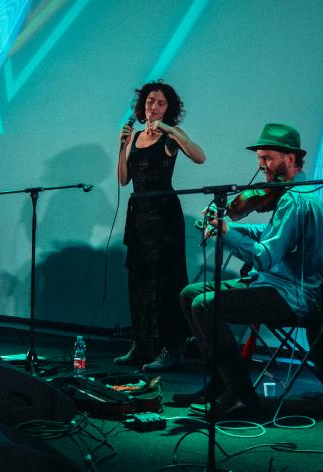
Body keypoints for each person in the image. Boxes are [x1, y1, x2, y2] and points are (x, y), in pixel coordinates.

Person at [177, 123, 323, 418]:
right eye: (260, 159)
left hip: (290, 295)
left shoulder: (296, 201)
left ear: (291, 158)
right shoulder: (290, 195)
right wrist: (234, 228)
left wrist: (228, 233)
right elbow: (270, 233)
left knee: (204, 305)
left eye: (267, 158)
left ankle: (241, 396)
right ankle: (222, 384)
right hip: (273, 286)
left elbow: (266, 257)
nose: (261, 167)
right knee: (188, 294)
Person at [114, 81, 206, 371]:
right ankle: (141, 345)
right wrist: (122, 146)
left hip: (164, 215)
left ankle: (172, 348)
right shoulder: (135, 135)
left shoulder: (171, 137)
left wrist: (169, 129)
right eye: (149, 101)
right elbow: (123, 179)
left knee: (165, 281)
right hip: (139, 213)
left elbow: (199, 156)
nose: (152, 107)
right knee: (138, 281)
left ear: (169, 109)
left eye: (160, 103)